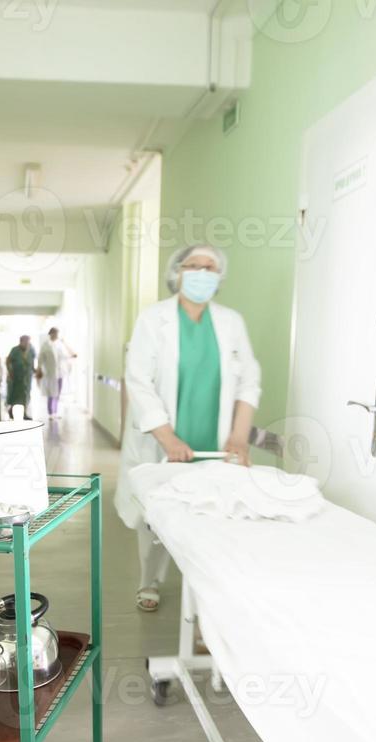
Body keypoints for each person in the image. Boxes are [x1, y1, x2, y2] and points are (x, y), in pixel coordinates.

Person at [115, 244, 261, 612]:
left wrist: (239, 437)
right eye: (192, 265)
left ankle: (207, 586)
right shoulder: (154, 319)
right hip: (166, 441)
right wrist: (167, 438)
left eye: (209, 267)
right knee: (157, 518)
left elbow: (249, 382)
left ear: (220, 276)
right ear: (177, 272)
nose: (201, 272)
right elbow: (138, 381)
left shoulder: (231, 322)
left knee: (214, 513)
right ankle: (149, 581)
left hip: (214, 441)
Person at [37, 327, 76, 417]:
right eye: (55, 333)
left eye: (57, 334)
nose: (56, 335)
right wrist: (39, 369)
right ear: (50, 334)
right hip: (50, 373)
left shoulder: (60, 345)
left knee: (57, 393)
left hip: (60, 373)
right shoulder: (45, 345)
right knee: (51, 393)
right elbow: (40, 358)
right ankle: (50, 412)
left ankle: (55, 411)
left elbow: (67, 356)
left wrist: (64, 343)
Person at [5, 334, 36, 420]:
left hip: (27, 377)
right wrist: (10, 371)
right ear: (21, 342)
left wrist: (34, 370)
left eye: (28, 342)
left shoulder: (31, 349)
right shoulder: (15, 350)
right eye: (25, 342)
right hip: (16, 377)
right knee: (15, 395)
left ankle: (25, 414)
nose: (27, 344)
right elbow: (8, 361)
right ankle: (11, 410)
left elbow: (32, 360)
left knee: (26, 395)